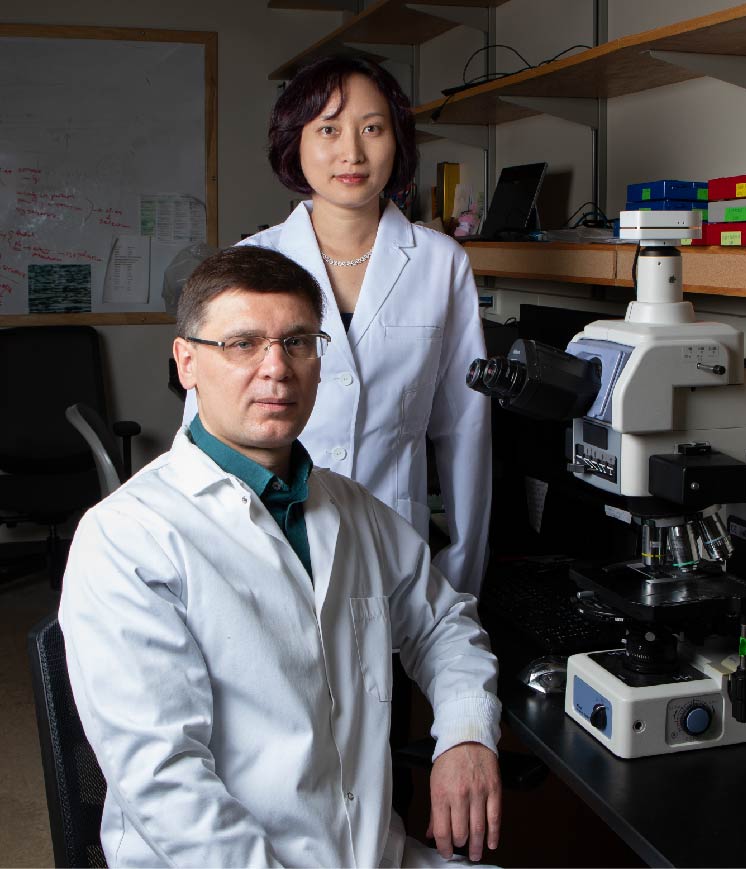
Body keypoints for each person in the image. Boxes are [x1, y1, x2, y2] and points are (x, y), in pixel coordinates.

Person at [59, 246, 502, 868]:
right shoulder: (127, 537)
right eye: (242, 344)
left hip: (374, 853)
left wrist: (464, 734)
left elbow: (443, 623)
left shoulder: (351, 510)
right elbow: (166, 782)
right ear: (186, 361)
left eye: (298, 342)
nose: (277, 370)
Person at [181, 55, 491, 598]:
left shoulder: (441, 263)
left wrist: (462, 566)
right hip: (262, 539)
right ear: (294, 144)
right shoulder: (251, 261)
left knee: (389, 680)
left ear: (397, 142)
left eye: (372, 128)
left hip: (393, 548)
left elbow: (464, 428)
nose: (352, 152)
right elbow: (203, 430)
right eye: (328, 129)